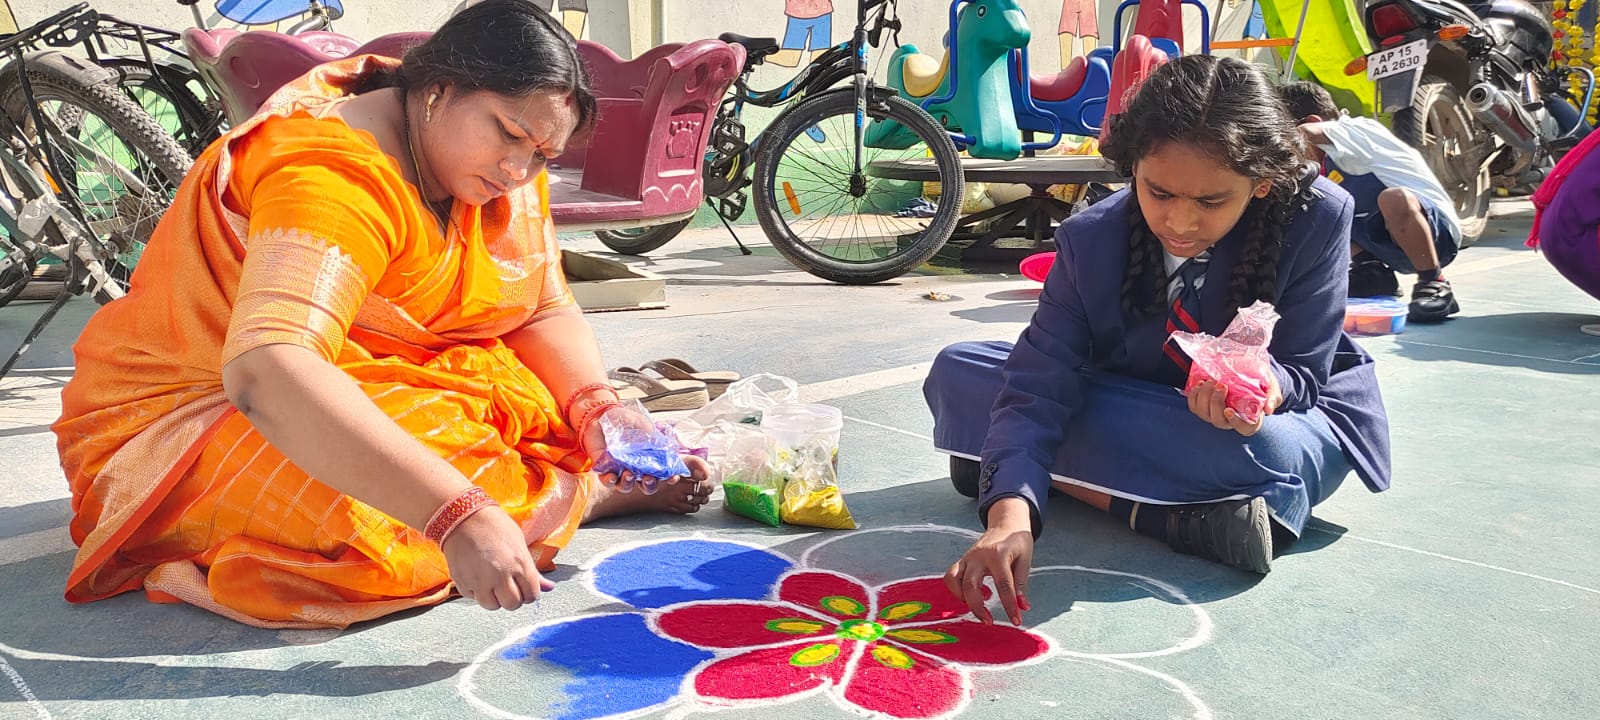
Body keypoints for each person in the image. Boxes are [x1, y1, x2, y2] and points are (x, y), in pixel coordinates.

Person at [52, 0, 711, 630]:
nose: (519, 169)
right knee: (373, 525)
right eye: (509, 135)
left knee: (548, 412)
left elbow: (537, 306)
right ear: (437, 91)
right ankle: (583, 496)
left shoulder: (500, 158)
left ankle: (537, 494)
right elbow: (268, 369)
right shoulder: (330, 172)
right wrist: (455, 515)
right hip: (198, 416)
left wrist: (600, 408)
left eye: (543, 156)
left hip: (379, 371)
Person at [924, 56, 1392, 624]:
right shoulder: (1091, 238)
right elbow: (1039, 380)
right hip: (1136, 403)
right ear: (1134, 166)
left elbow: (1303, 371)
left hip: (1258, 426)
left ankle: (1040, 474)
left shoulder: (1317, 216)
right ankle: (1162, 511)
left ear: (1262, 183)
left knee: (1271, 452)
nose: (1179, 223)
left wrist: (1266, 385)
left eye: (1211, 202)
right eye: (1158, 192)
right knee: (959, 369)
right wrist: (1007, 522)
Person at [1280, 81, 1463, 323]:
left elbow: (1304, 133)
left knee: (1394, 198)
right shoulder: (1327, 160)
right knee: (1321, 205)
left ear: (1314, 121)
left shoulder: (1356, 129)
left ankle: (1434, 281)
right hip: (1385, 239)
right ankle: (1372, 272)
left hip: (1436, 234)